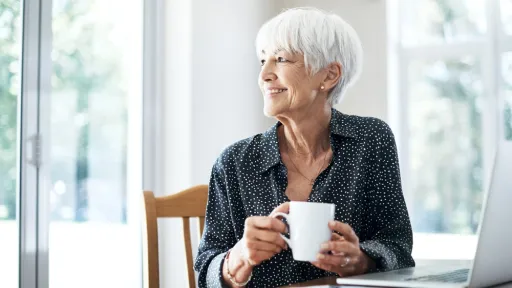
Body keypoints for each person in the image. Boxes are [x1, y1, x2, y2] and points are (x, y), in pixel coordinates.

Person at [194, 7, 415, 288]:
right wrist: (238, 258)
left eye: (281, 59)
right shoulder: (234, 162)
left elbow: (399, 248)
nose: (264, 75)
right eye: (263, 60)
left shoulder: (371, 139)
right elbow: (205, 271)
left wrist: (361, 260)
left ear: (329, 76)